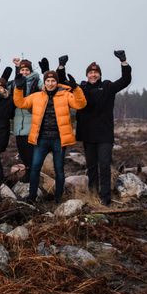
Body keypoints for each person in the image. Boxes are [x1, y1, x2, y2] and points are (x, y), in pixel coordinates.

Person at [13, 70, 87, 203]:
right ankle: (32, 197)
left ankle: (58, 198)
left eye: (53, 81)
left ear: (56, 82)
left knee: (59, 170)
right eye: (48, 81)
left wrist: (76, 89)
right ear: (45, 82)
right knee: (35, 168)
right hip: (41, 140)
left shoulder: (65, 95)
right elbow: (21, 103)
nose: (50, 83)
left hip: (59, 140)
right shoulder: (37, 96)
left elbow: (80, 104)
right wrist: (18, 88)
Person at [76, 51, 132, 205]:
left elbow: (125, 80)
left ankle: (105, 198)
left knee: (104, 165)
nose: (93, 75)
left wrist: (124, 62)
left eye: (96, 72)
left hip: (105, 135)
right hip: (88, 134)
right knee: (91, 167)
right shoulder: (81, 88)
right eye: (90, 72)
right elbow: (62, 84)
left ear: (99, 75)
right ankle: (93, 196)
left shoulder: (107, 86)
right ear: (87, 75)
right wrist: (61, 67)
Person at [10, 58, 42, 177]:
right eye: (22, 70)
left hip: (32, 120)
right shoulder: (15, 82)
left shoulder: (36, 80)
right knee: (22, 151)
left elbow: (45, 87)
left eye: (27, 70)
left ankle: (33, 175)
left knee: (31, 151)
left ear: (30, 71)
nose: (24, 72)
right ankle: (28, 173)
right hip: (18, 121)